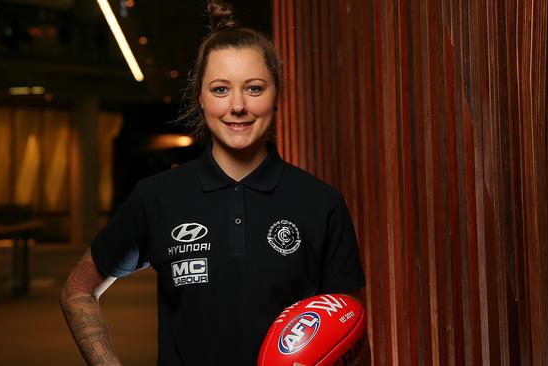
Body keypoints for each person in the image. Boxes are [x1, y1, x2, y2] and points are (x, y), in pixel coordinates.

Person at [60, 1, 368, 365]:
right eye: (221, 89)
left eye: (254, 88)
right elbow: (78, 290)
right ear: (200, 97)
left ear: (277, 96)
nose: (237, 106)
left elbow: (348, 326)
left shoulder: (321, 204)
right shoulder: (158, 197)